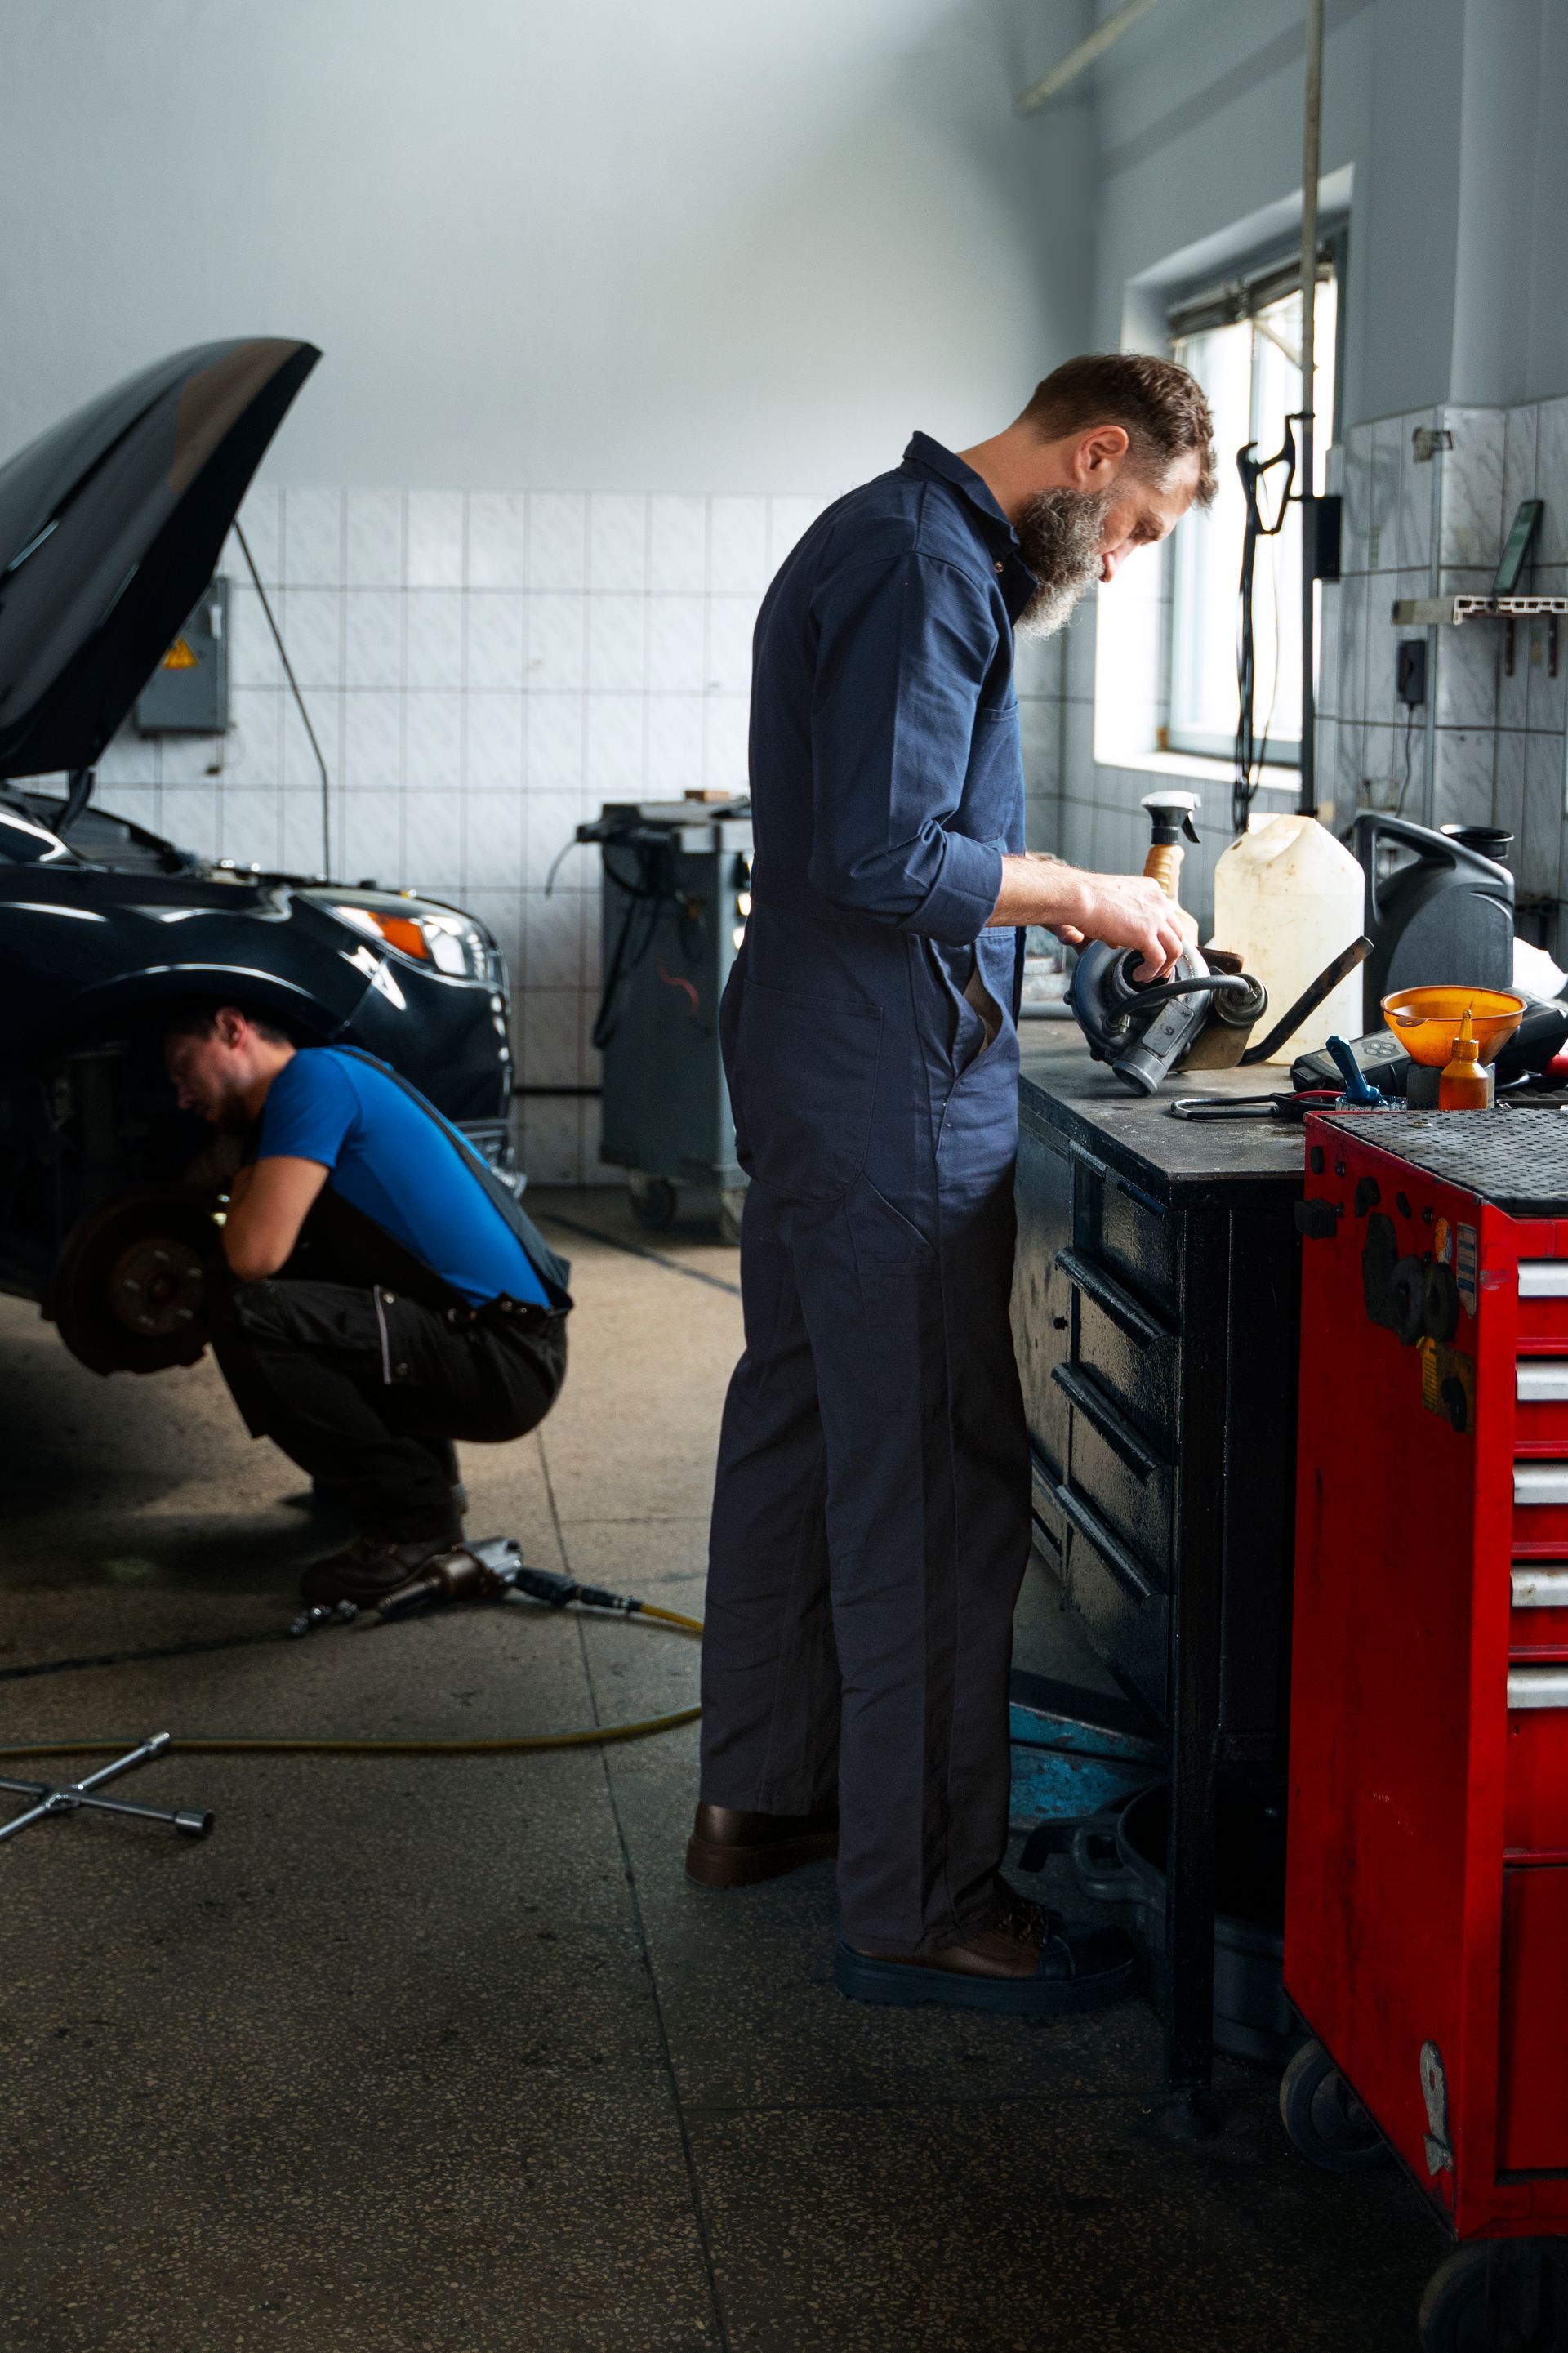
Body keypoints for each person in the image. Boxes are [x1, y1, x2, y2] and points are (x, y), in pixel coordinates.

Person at [687, 352, 1216, 2017]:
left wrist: (1054, 909)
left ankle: (759, 1799)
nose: (1120, 561)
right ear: (1096, 451)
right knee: (928, 1482)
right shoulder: (931, 561)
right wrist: (1085, 900)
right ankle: (921, 1896)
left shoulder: (883, 531)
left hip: (815, 1055)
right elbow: (889, 853)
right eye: (1133, 526)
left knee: (801, 1424)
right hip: (884, 1085)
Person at [163, 1005, 571, 1604]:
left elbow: (253, 1254)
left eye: (181, 1069)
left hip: (505, 1358)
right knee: (299, 1279)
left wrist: (234, 1158)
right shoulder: (337, 1075)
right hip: (500, 1340)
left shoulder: (313, 1078)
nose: (180, 1097)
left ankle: (415, 1524)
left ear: (231, 1028)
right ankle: (401, 1484)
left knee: (247, 1308)